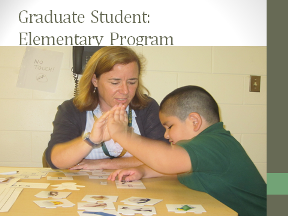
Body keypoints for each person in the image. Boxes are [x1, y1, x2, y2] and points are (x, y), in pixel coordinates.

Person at [107, 85, 267, 216]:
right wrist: (143, 171)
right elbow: (180, 168)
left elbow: (167, 161)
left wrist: (122, 134)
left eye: (169, 126)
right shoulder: (210, 146)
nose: (166, 134)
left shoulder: (214, 143)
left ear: (194, 121)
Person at [44, 46, 168, 169]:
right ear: (95, 80)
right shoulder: (72, 109)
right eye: (115, 82)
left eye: (132, 82)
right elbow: (56, 161)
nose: (125, 91)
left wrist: (104, 164)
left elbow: (166, 157)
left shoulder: (147, 107)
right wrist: (91, 140)